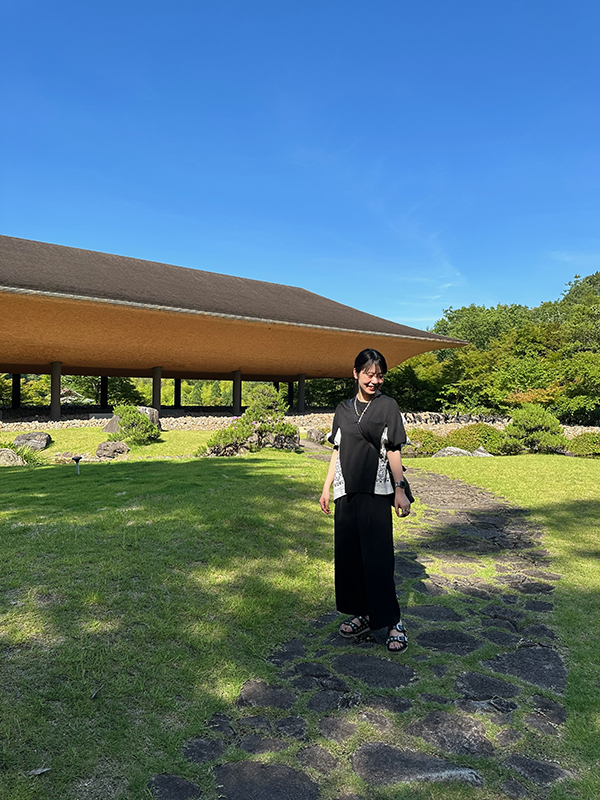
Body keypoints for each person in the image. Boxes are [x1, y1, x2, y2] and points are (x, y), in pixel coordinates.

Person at [319, 348, 410, 653]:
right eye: (369, 374)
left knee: (378, 558)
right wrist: (326, 488)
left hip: (377, 491)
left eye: (379, 375)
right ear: (355, 373)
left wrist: (399, 488)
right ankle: (363, 613)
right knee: (351, 558)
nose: (374, 380)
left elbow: (394, 449)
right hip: (347, 492)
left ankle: (393, 621)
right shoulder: (343, 410)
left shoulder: (388, 406)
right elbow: (337, 451)